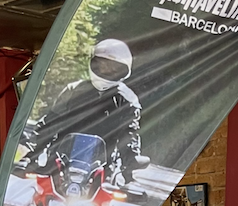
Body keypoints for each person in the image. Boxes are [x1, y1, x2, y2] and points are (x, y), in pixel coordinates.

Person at [31, 38, 150, 183]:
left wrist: (130, 165)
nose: (108, 70)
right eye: (103, 65)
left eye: (114, 68)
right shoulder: (73, 90)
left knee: (114, 193)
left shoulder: (128, 99)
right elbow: (50, 124)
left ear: (124, 71)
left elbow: (129, 135)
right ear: (93, 62)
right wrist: (32, 154)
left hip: (103, 170)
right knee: (34, 188)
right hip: (59, 163)